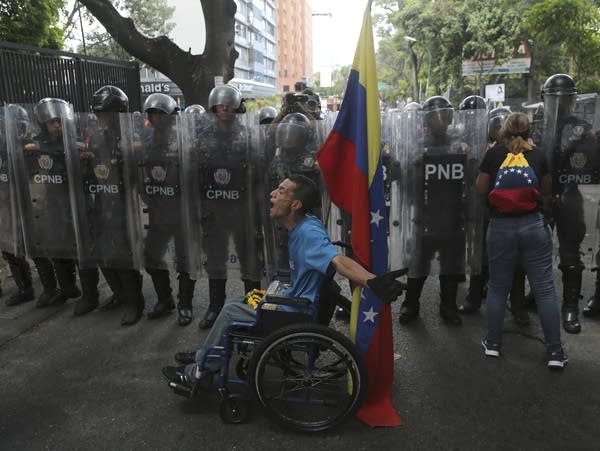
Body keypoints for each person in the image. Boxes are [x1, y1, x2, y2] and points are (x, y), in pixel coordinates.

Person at [162, 174, 405, 389]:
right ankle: (206, 352)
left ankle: (199, 372)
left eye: (281, 191)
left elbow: (338, 261)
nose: (272, 194)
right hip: (290, 299)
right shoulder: (305, 223)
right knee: (246, 297)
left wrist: (372, 281)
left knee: (229, 311)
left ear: (295, 204)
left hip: (293, 310)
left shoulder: (308, 234)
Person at [477, 112, 566, 368]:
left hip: (501, 226)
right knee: (545, 289)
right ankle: (555, 353)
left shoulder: (494, 154)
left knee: (497, 287)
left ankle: (492, 344)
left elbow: (481, 188)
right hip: (533, 225)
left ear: (502, 131)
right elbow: (546, 189)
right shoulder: (537, 155)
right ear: (530, 131)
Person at [70, 85, 146, 325]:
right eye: (100, 113)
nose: (104, 118)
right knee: (102, 251)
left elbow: (137, 175)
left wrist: (127, 158)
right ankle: (119, 294)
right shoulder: (96, 137)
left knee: (123, 253)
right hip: (101, 201)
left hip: (125, 203)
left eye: (108, 113)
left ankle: (135, 302)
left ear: (119, 113)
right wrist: (85, 161)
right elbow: (93, 173)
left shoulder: (132, 137)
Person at [195, 84, 262, 330]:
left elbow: (258, 175)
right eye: (219, 106)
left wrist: (256, 212)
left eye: (228, 105)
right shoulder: (202, 138)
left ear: (236, 108)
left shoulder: (248, 137)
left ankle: (255, 307)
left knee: (250, 262)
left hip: (243, 210)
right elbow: (196, 176)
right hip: (214, 210)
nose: (223, 109)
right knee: (215, 261)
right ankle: (215, 308)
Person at [541, 74, 600, 333]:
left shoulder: (583, 129)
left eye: (565, 98)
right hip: (540, 197)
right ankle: (535, 296)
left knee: (570, 256)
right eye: (555, 98)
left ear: (573, 99)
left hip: (571, 197)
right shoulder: (535, 126)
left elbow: (590, 165)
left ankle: (569, 308)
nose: (560, 103)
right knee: (536, 253)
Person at [139, 93, 196, 326]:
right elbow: (140, 172)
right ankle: (165, 300)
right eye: (153, 114)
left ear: (172, 117)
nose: (156, 118)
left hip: (182, 210)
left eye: (161, 114)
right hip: (158, 208)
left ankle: (185, 305)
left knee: (185, 260)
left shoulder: (184, 140)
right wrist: (147, 196)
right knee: (151, 257)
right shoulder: (146, 141)